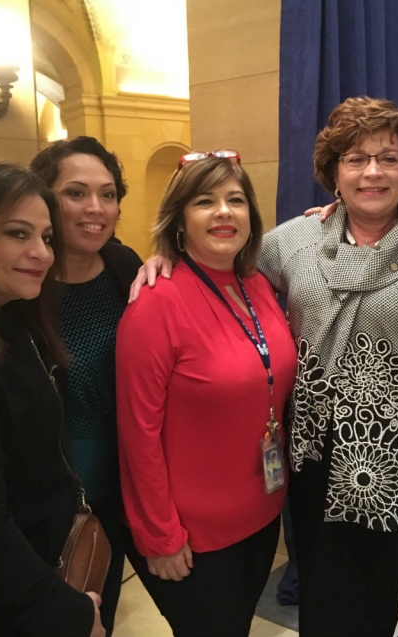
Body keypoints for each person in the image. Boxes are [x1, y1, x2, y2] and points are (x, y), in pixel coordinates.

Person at [131, 98, 398, 637]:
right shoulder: (293, 241)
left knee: (395, 617)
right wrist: (164, 258)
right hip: (312, 468)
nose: (372, 172)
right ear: (333, 172)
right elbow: (222, 265)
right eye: (355, 158)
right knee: (325, 611)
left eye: (388, 158)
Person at [116, 154, 297, 637]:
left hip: (261, 512)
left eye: (235, 200)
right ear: (179, 219)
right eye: (205, 201)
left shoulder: (256, 283)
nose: (223, 212)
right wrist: (159, 534)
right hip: (195, 535)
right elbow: (138, 434)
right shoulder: (155, 304)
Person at [0, 161, 105, 637]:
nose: (41, 253)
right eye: (17, 234)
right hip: (10, 605)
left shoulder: (8, 317)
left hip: (41, 573)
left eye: (46, 237)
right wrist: (72, 614)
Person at [30, 136, 142, 636]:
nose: (96, 208)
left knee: (99, 620)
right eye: (75, 193)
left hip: (115, 501)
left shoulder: (125, 268)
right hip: (41, 504)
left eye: (108, 193)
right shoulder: (23, 284)